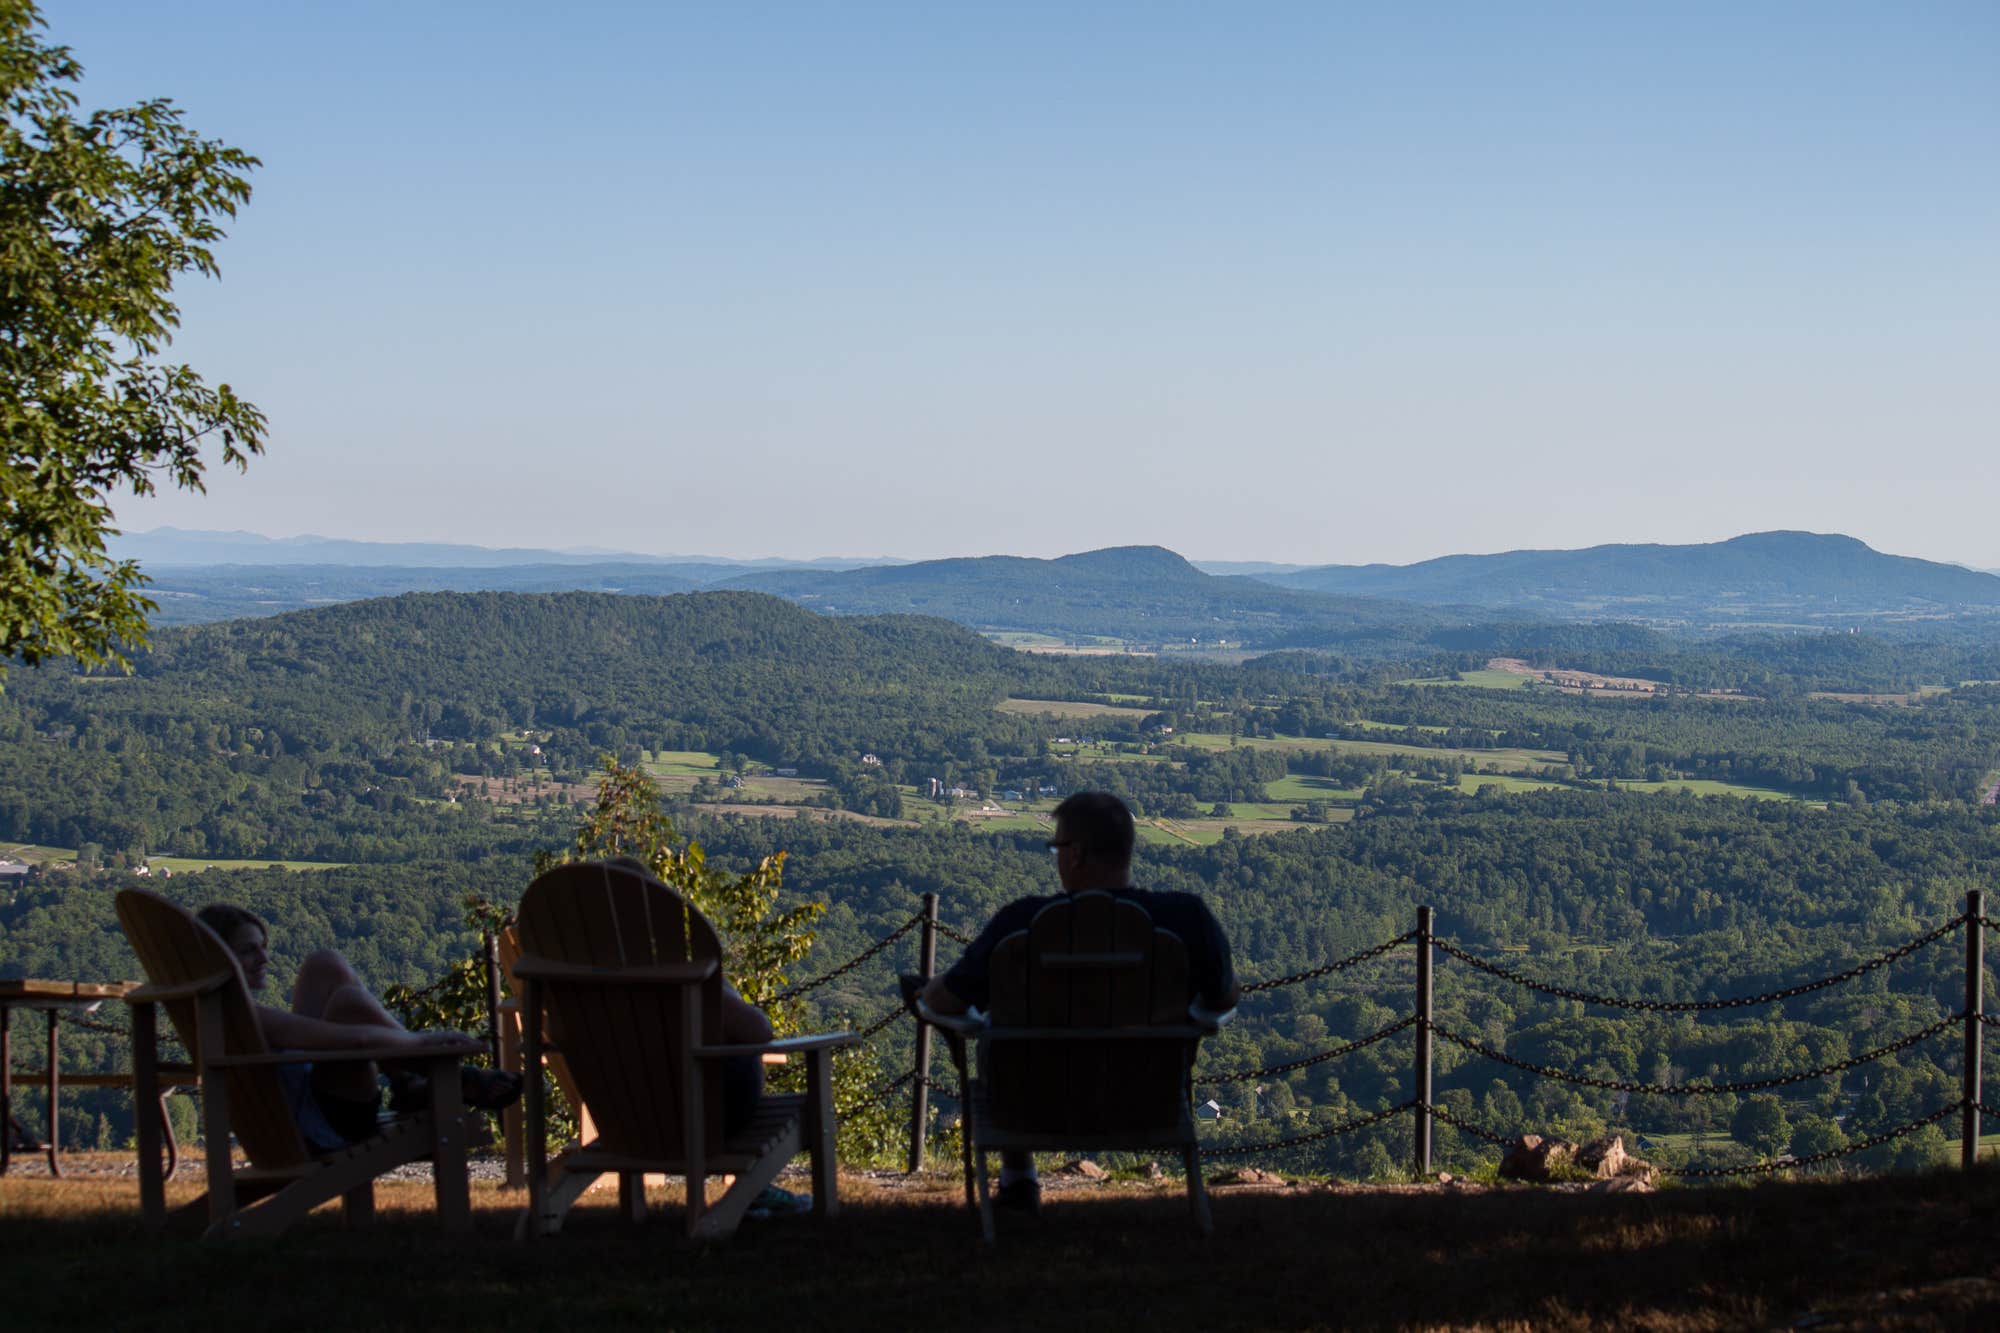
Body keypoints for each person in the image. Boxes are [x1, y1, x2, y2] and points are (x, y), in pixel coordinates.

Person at [919, 790, 1239, 1213]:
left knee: (996, 1034)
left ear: (1076, 855)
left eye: (1058, 846)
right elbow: (1223, 998)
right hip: (1148, 1105)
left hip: (1027, 1109)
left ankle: (1018, 1181)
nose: (1056, 857)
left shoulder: (1020, 923)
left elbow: (947, 1001)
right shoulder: (1187, 918)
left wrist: (925, 992)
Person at [195, 903, 521, 1153]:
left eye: (263, 946)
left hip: (299, 1104)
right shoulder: (249, 1017)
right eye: (249, 950)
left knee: (325, 964)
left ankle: (409, 1081)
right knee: (348, 1003)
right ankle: (424, 1077)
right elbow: (355, 1039)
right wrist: (426, 1044)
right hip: (321, 1125)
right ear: (218, 957)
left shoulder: (223, 1012)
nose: (264, 958)